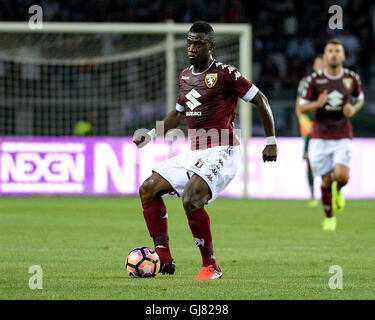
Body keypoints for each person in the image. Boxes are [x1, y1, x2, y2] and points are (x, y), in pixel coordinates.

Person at [133, 21, 277, 279]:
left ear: (210, 45)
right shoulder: (186, 76)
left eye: (198, 43)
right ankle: (163, 258)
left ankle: (211, 266)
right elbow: (177, 117)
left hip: (223, 148)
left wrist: (271, 140)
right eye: (189, 42)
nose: (191, 48)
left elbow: (260, 99)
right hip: (195, 152)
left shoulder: (225, 73)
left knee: (191, 198)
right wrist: (152, 133)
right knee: (148, 188)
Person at [298, 39, 365, 231]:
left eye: (337, 51)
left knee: (342, 177)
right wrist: (317, 104)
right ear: (325, 55)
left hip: (342, 134)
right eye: (330, 51)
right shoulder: (314, 80)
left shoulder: (351, 78)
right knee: (326, 179)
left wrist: (353, 108)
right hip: (319, 136)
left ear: (343, 56)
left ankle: (340, 189)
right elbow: (302, 107)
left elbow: (360, 99)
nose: (334, 54)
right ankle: (329, 218)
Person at [295, 55, 324, 207]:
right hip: (309, 125)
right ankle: (313, 194)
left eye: (323, 64)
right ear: (314, 66)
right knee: (310, 160)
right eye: (318, 63)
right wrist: (302, 120)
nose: (320, 66)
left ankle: (329, 192)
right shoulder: (305, 82)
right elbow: (299, 103)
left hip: (325, 125)